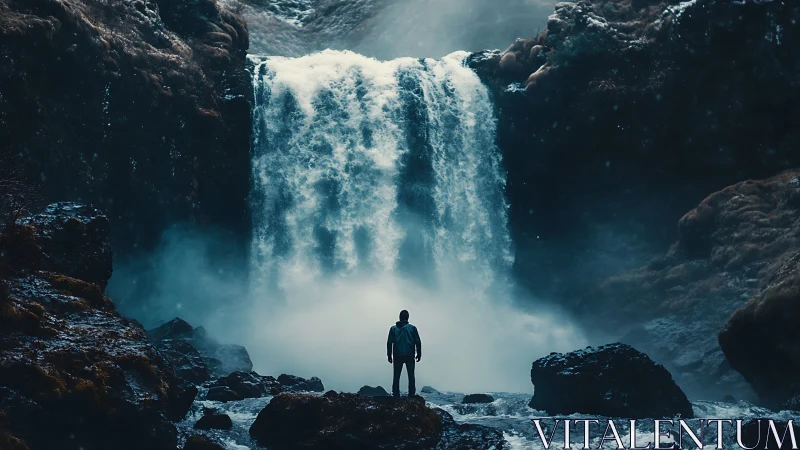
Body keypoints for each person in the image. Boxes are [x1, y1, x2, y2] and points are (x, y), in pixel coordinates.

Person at [387, 310, 422, 398]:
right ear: (407, 318)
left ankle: (396, 395)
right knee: (411, 375)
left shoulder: (393, 329)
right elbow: (418, 342)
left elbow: (389, 342)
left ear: (399, 317)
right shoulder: (412, 328)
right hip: (410, 355)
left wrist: (389, 355)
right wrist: (419, 353)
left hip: (397, 355)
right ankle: (411, 394)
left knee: (396, 376)